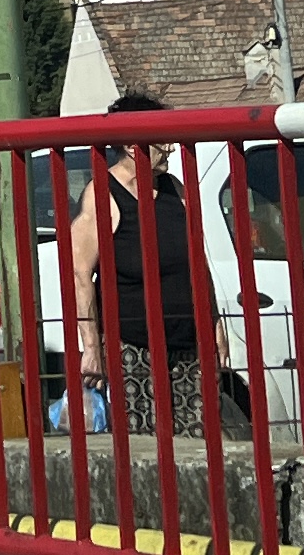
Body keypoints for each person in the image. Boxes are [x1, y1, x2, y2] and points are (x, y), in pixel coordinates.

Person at [55, 91, 210, 439]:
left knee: (197, 447)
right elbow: (80, 273)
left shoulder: (176, 190)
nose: (169, 147)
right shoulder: (103, 194)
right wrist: (92, 347)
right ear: (130, 144)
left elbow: (198, 263)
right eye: (160, 139)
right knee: (144, 447)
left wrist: (213, 325)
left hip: (187, 343)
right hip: (133, 347)